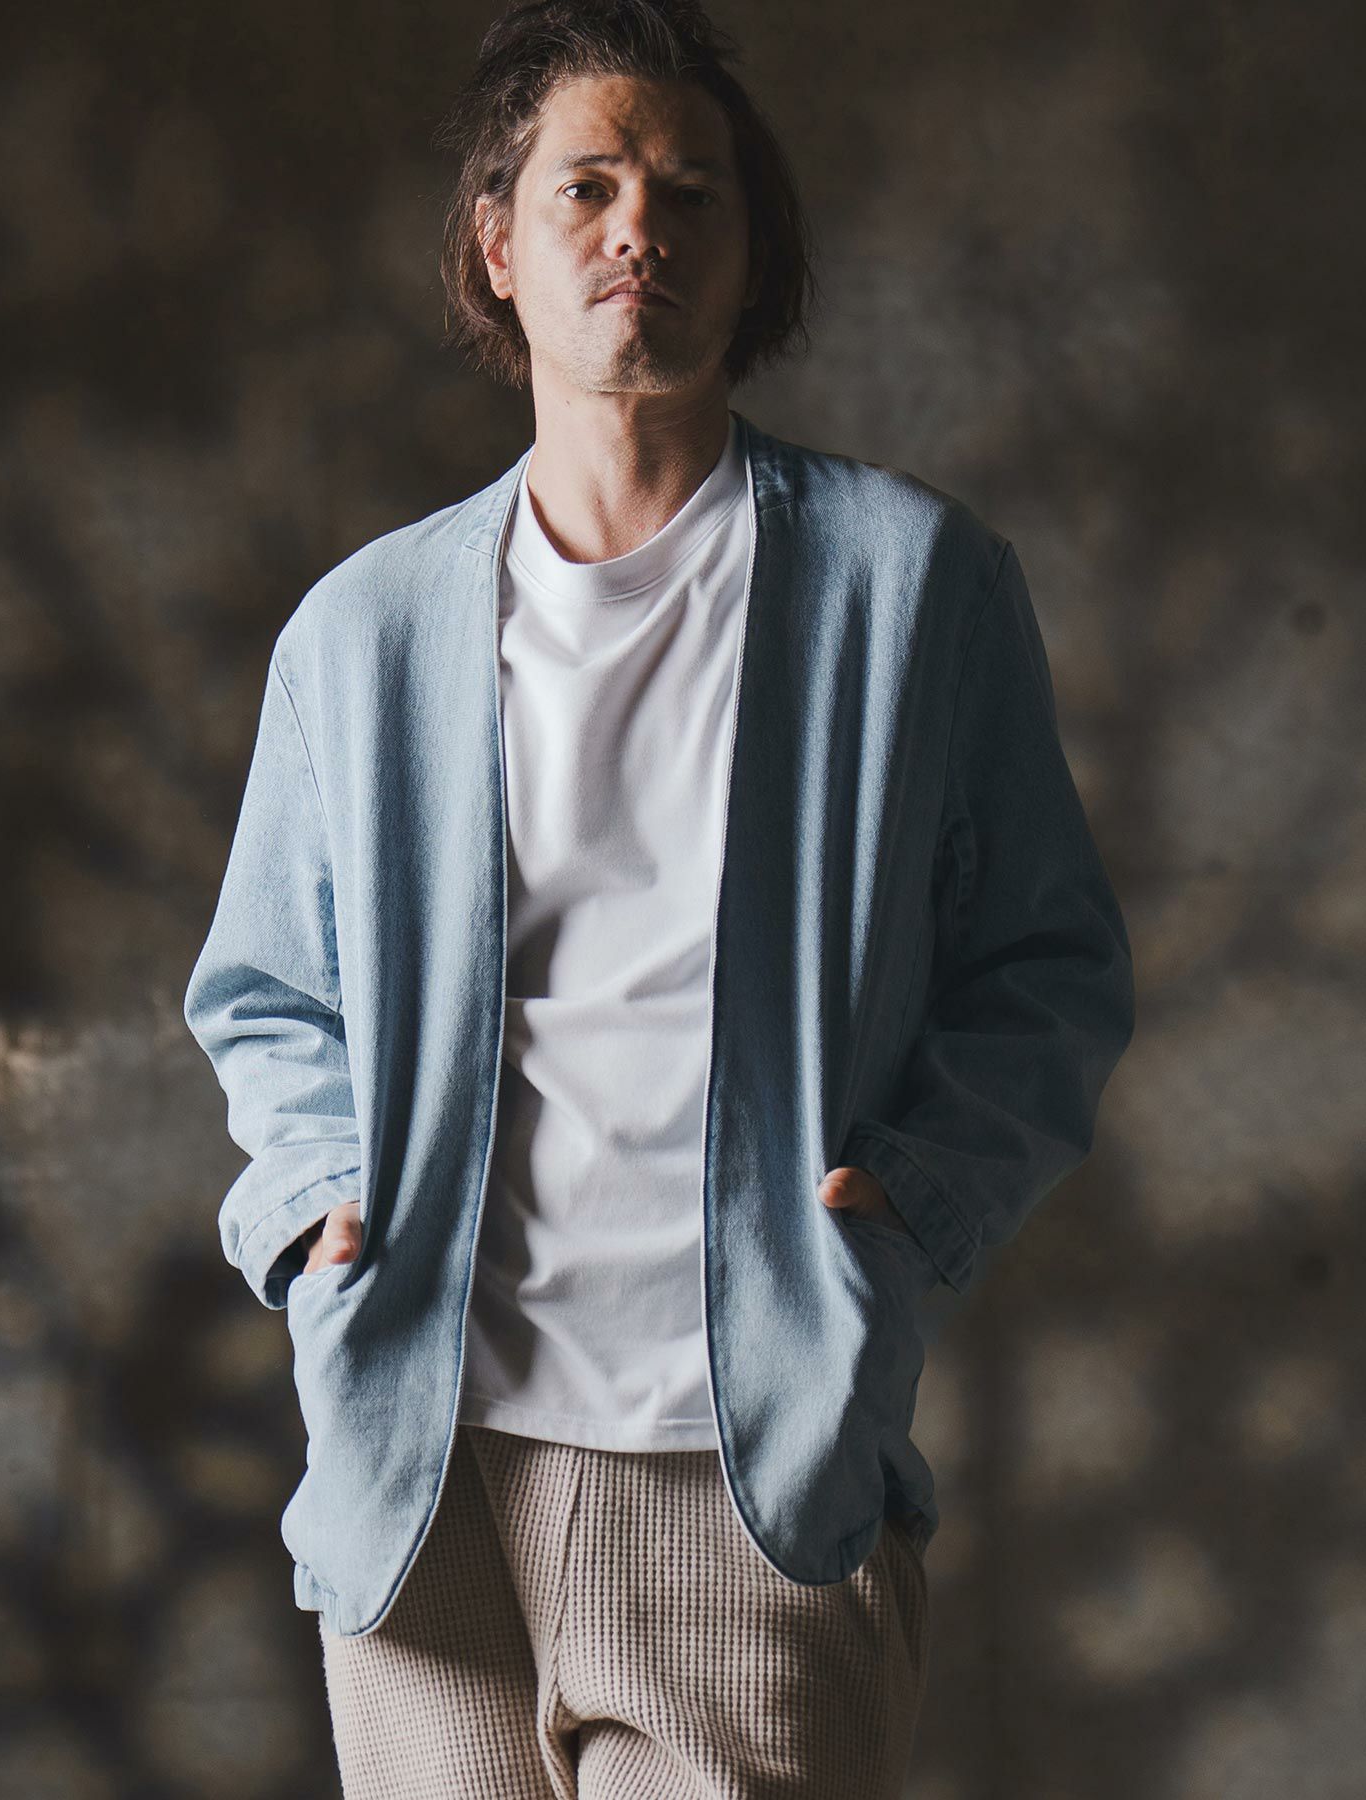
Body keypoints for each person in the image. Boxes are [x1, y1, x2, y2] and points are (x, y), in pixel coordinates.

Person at [182, 1, 1137, 1794]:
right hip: (423, 1471)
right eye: (592, 187)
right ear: (501, 242)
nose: (643, 229)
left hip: (748, 1461)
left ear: (750, 257)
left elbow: (1051, 965)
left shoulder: (910, 588)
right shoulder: (364, 633)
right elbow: (265, 991)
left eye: (695, 195)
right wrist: (318, 1207)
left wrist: (907, 1210)